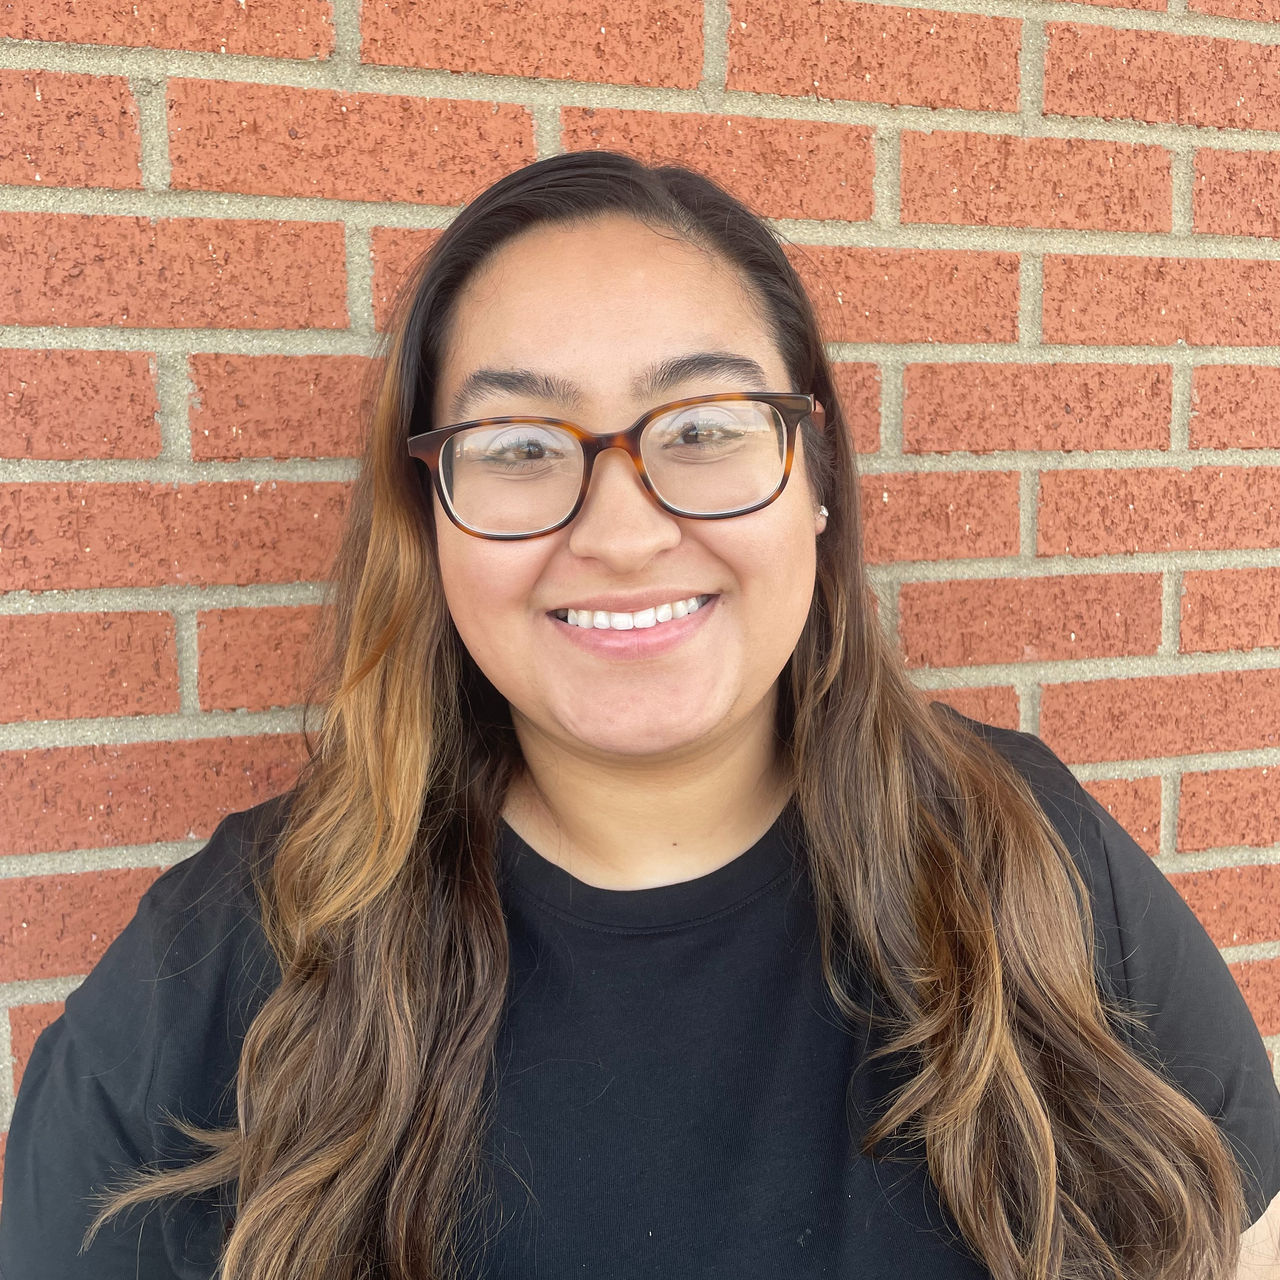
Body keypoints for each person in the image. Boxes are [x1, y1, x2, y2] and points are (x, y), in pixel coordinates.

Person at [2, 149, 1279, 1280]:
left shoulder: (1028, 857)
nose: (621, 532)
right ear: (429, 517)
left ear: (815, 477)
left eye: (705, 428)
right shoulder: (221, 963)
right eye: (517, 446)